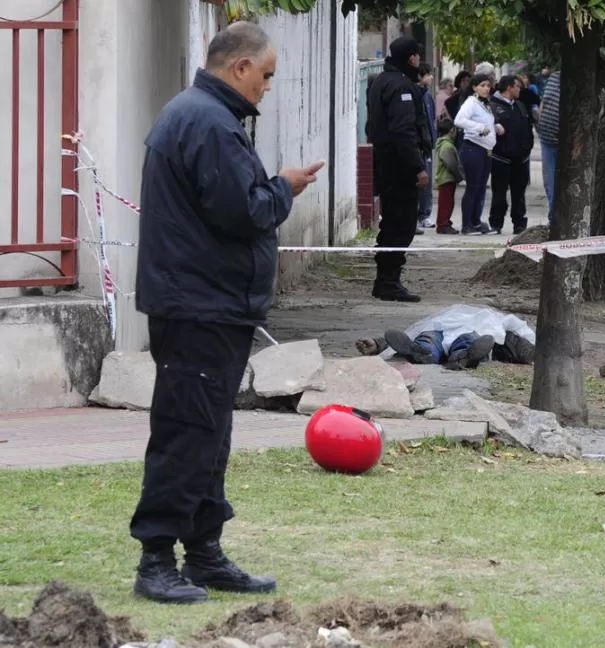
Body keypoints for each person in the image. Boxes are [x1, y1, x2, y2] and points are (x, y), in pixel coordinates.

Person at [132, 21, 322, 604]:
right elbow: (244, 211)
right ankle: (157, 558)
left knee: (210, 432)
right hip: (198, 306)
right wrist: (285, 187)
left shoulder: (202, 116)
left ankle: (205, 552)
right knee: (188, 431)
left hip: (210, 304)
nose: (267, 87)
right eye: (265, 76)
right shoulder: (208, 122)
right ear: (238, 67)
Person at [366, 36, 433, 302]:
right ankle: (388, 281)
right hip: (399, 166)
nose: (418, 60)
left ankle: (386, 280)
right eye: (416, 55)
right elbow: (403, 131)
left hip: (387, 162)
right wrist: (418, 168)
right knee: (401, 225)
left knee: (393, 222)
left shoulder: (382, 80)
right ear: (411, 58)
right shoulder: (400, 86)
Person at [354, 305, 537, 370]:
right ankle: (460, 357)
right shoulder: (497, 321)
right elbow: (524, 348)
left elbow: (412, 331)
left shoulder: (498, 323)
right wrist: (379, 343)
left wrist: (380, 344)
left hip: (441, 331)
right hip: (459, 332)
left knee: (428, 340)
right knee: (465, 340)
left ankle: (423, 352)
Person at [489, 76, 533, 235]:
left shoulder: (520, 106)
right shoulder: (492, 106)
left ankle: (519, 223)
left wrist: (528, 148)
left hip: (521, 159)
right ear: (508, 88)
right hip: (501, 158)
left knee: (519, 194)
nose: (519, 90)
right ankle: (496, 223)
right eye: (517, 87)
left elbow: (528, 128)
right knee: (499, 193)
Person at [454, 74, 497, 235]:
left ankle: (476, 221)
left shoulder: (484, 104)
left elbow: (487, 122)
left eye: (488, 85)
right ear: (474, 87)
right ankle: (467, 225)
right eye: (483, 85)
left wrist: (495, 127)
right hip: (473, 148)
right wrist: (479, 128)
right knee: (473, 188)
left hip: (486, 150)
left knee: (480, 189)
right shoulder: (471, 102)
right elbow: (459, 120)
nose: (486, 88)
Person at [537, 70, 560, 224]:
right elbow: (544, 103)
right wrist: (539, 122)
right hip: (547, 138)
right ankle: (553, 217)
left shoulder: (583, 78)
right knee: (549, 182)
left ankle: (558, 217)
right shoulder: (554, 78)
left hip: (566, 141)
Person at [417, 63, 438, 230]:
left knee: (428, 182)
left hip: (428, 145)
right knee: (420, 182)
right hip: (419, 145)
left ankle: (425, 214)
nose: (431, 77)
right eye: (428, 74)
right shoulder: (416, 95)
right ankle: (419, 214)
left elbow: (432, 120)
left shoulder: (428, 96)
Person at [433, 118, 463, 235]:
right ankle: (442, 224)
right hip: (446, 178)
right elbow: (451, 163)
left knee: (449, 202)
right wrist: (459, 175)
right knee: (445, 203)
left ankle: (445, 222)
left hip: (447, 179)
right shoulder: (447, 146)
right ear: (451, 130)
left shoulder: (445, 144)